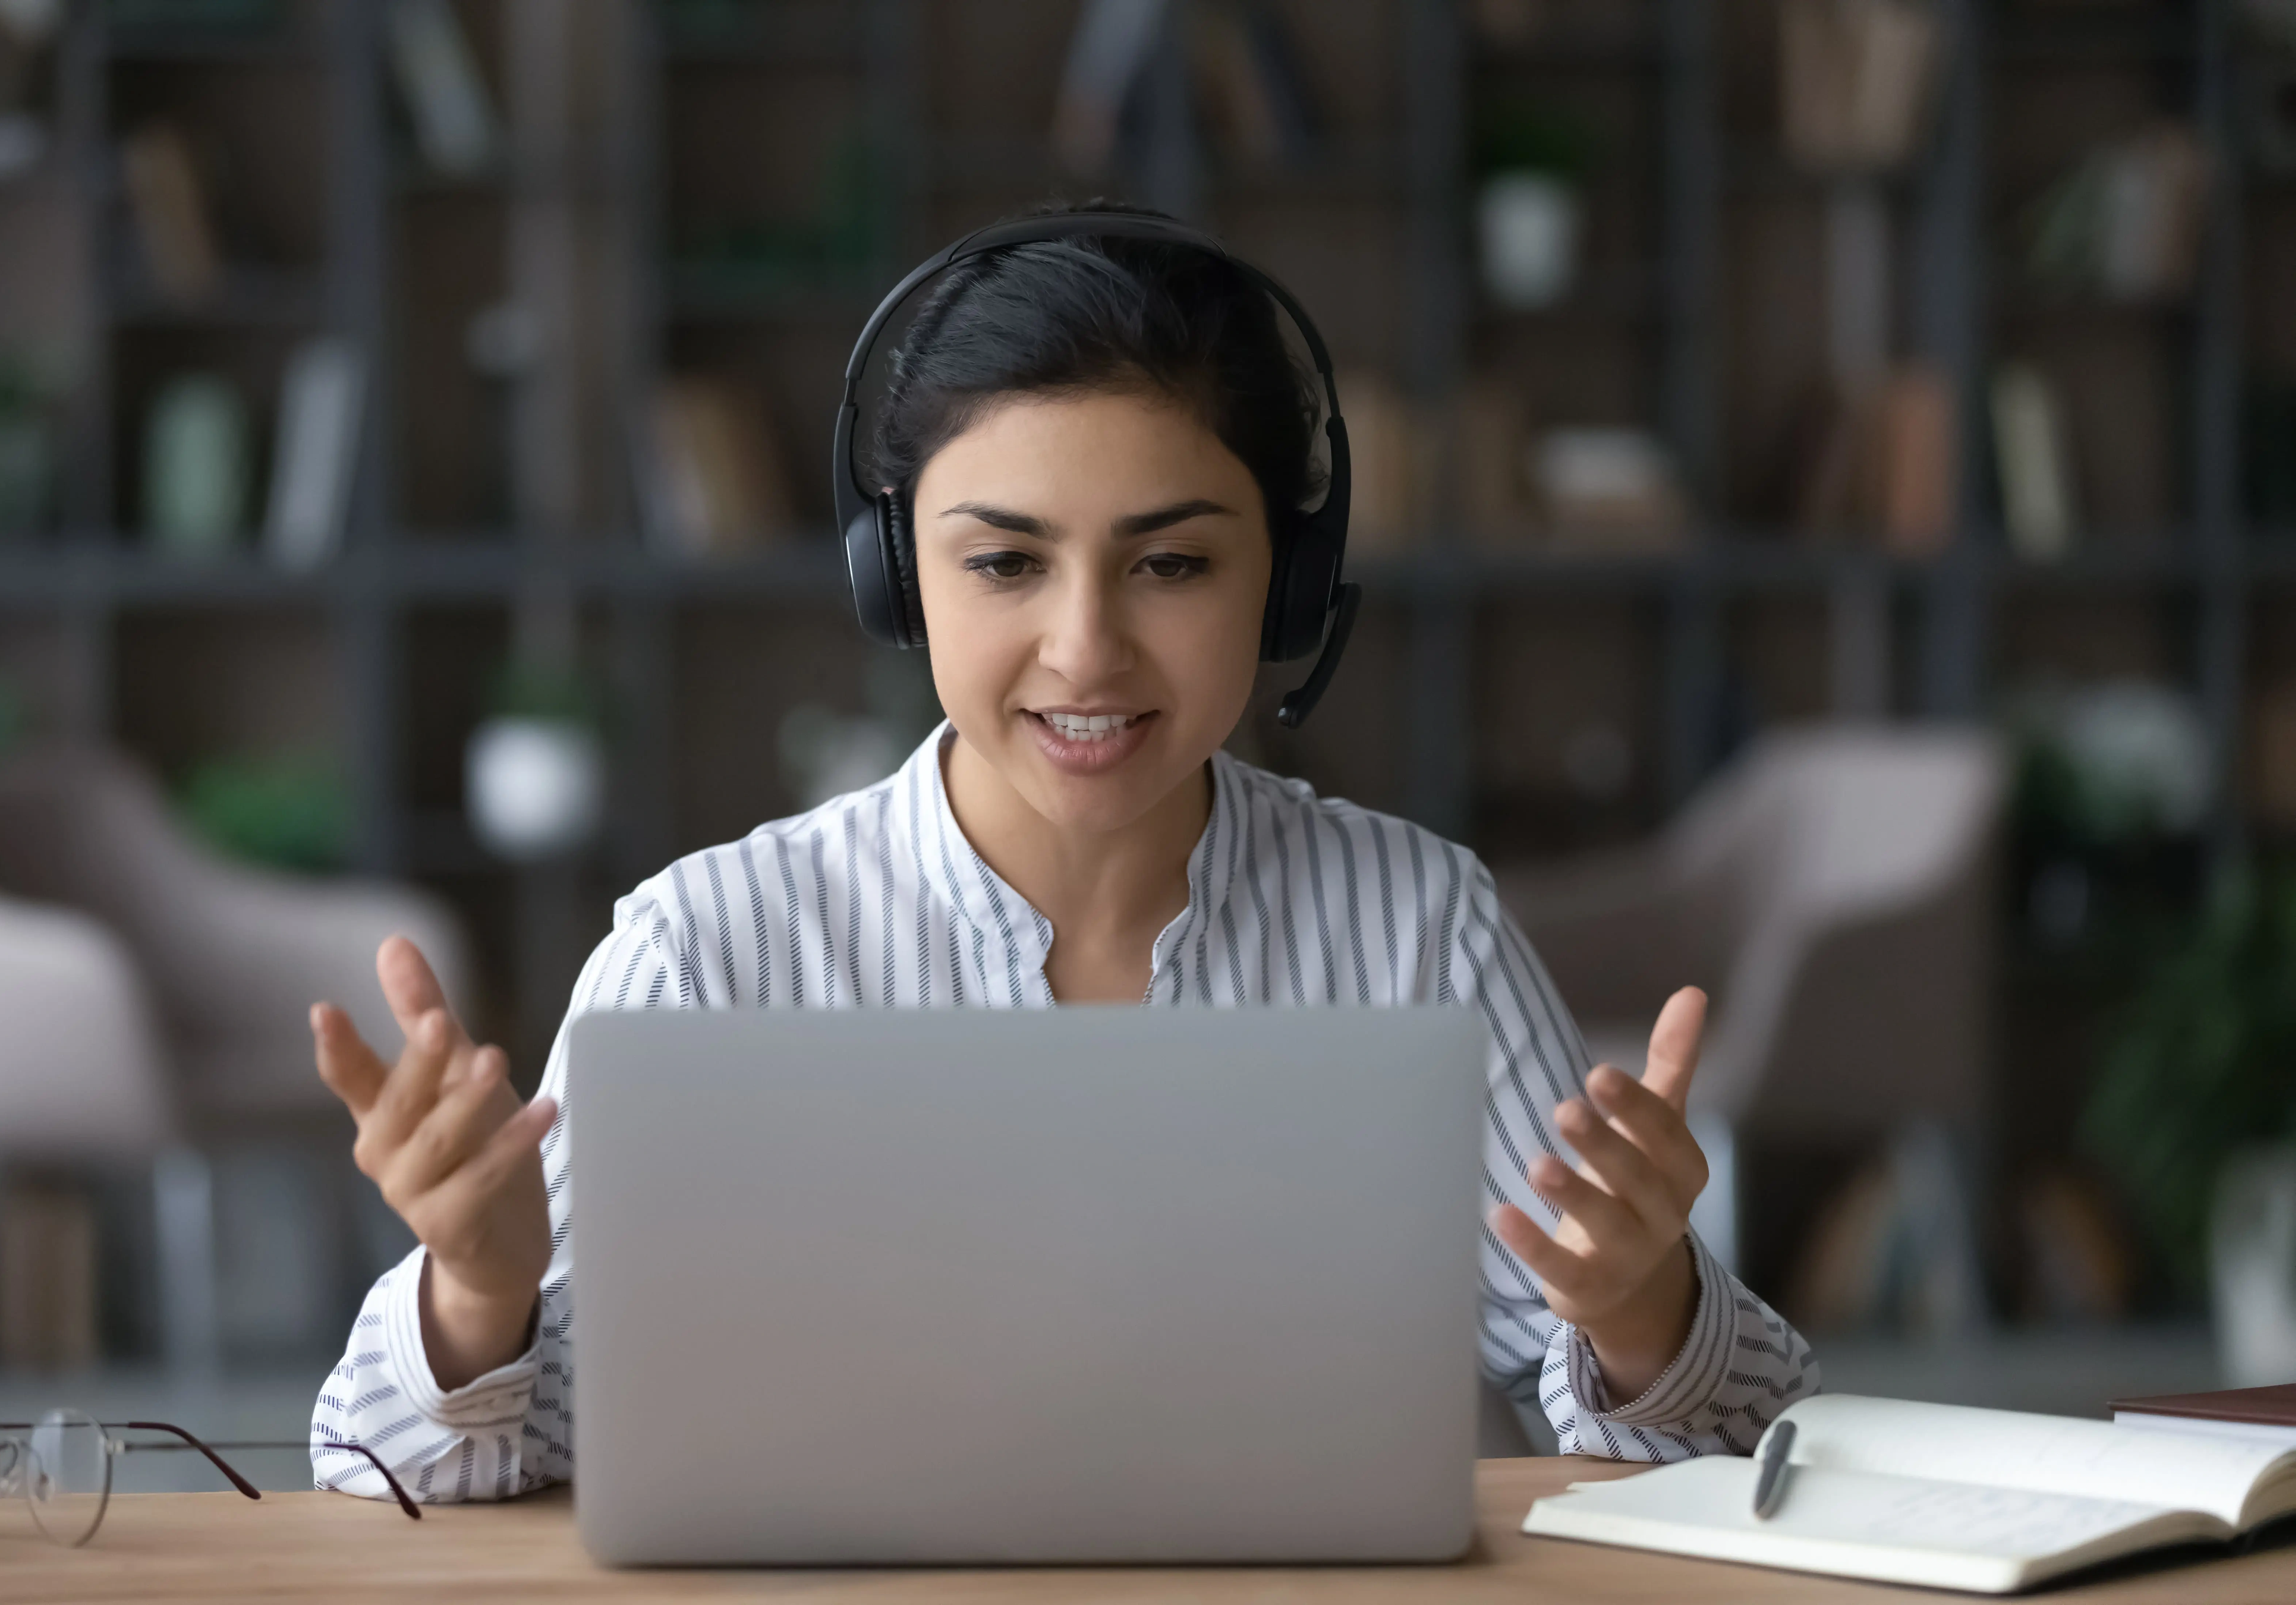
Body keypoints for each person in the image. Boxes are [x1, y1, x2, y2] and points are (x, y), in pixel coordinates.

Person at [308, 200, 1818, 1505]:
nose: (1084, 649)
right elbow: (392, 1479)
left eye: (1170, 562)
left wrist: (1638, 1308)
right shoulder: (710, 949)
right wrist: (481, 1296)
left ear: (1285, 590)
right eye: (1004, 562)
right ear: (898, 576)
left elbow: (1728, 1462)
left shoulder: (1419, 927)